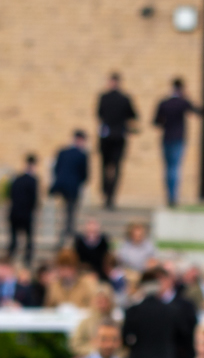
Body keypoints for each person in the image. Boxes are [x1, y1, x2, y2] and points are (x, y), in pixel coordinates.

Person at [154, 77, 201, 207]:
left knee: (168, 168)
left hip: (166, 138)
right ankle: (173, 196)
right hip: (178, 139)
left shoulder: (164, 103)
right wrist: (188, 98)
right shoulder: (182, 102)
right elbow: (198, 111)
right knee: (175, 168)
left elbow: (156, 122)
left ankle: (170, 195)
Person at [97, 72, 139, 209]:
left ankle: (106, 193)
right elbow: (133, 115)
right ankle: (111, 196)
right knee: (116, 168)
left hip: (106, 137)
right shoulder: (124, 98)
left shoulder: (104, 97)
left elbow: (99, 114)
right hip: (119, 136)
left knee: (105, 166)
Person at [50, 129, 91, 250]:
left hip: (60, 186)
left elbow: (56, 169)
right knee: (70, 214)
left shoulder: (63, 151)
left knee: (66, 213)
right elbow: (84, 174)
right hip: (72, 188)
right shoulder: (82, 155)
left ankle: (64, 238)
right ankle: (66, 238)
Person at [6, 154, 41, 265]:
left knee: (13, 238)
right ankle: (27, 259)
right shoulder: (33, 180)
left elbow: (10, 194)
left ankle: (11, 257)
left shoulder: (16, 179)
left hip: (14, 212)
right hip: (26, 213)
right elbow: (33, 198)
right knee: (28, 238)